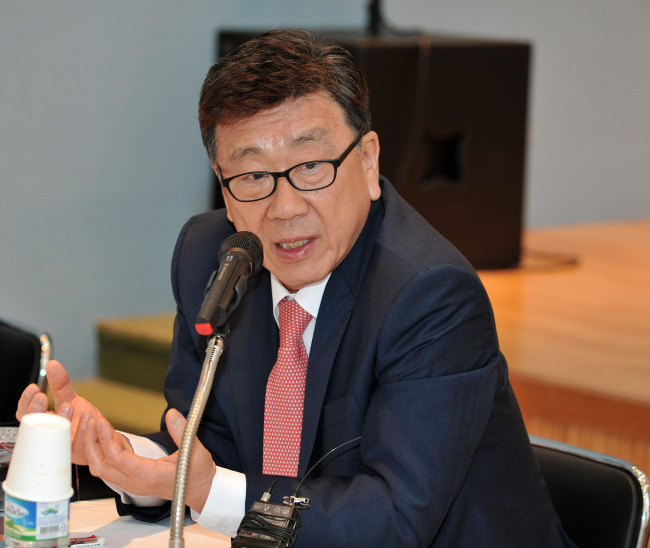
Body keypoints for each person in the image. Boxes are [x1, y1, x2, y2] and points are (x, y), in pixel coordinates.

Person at [17, 29, 575, 547]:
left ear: (368, 159)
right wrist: (122, 457)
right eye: (253, 176)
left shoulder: (429, 296)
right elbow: (203, 448)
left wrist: (208, 492)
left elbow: (396, 520)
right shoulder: (212, 261)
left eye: (311, 165)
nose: (285, 208)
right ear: (223, 187)